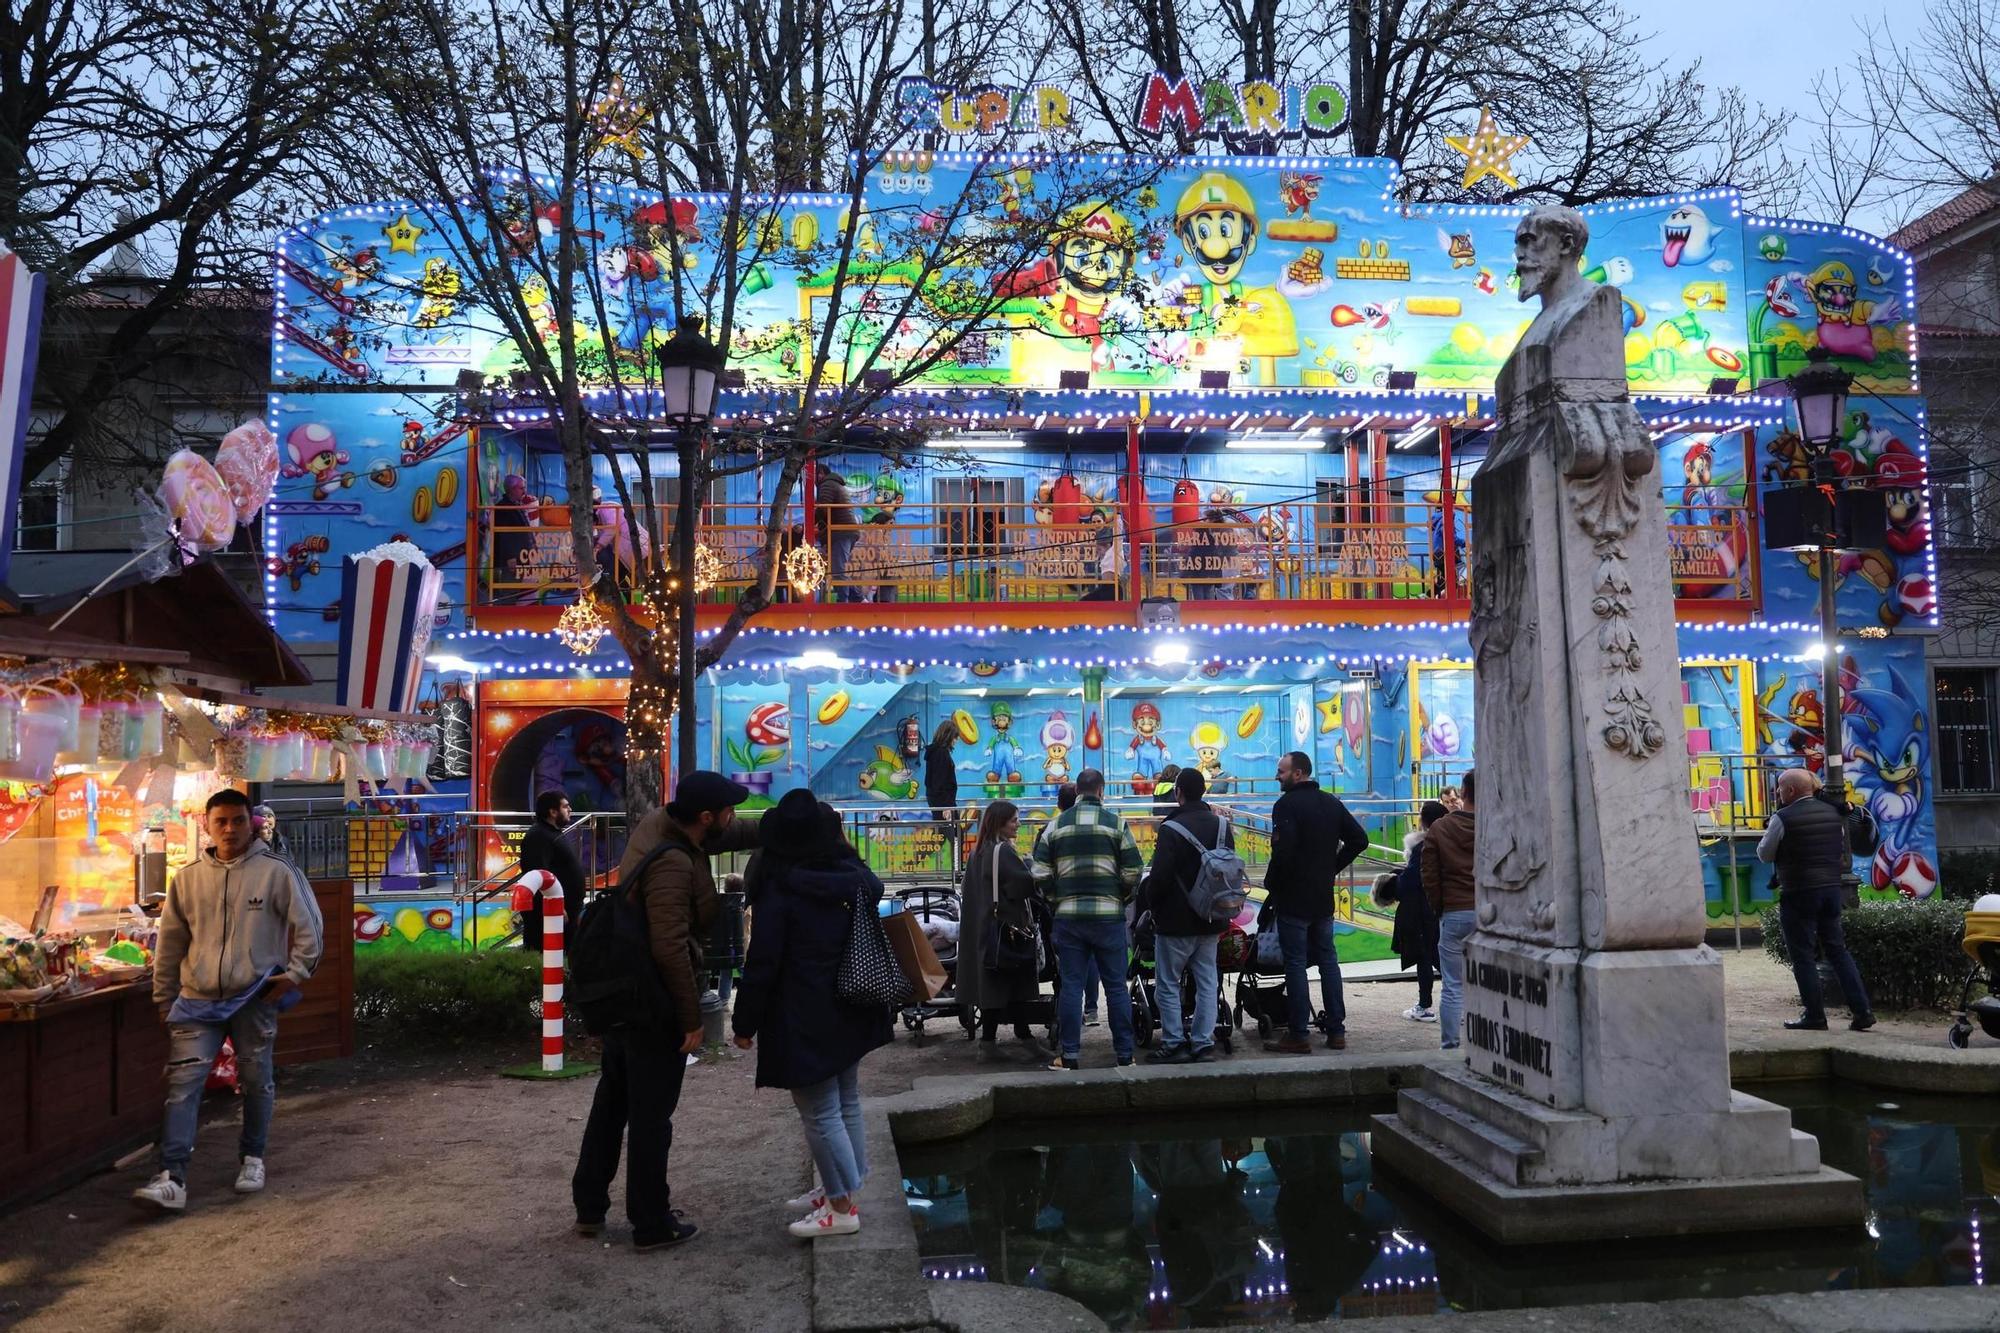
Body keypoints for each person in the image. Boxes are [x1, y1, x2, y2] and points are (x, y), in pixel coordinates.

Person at [572, 771, 760, 1251]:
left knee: (612, 1103)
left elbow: (733, 834)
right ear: (705, 818)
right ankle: (651, 1222)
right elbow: (670, 947)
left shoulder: (662, 826)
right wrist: (691, 1018)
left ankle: (589, 1207)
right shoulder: (675, 864)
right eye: (727, 811)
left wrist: (778, 825)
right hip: (652, 1002)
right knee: (652, 1117)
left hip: (628, 993)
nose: (732, 818)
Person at [134, 789, 325, 1213]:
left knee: (256, 1080)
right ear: (207, 824)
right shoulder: (186, 879)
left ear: (249, 823)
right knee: (183, 1088)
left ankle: (252, 1158)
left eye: (238, 821)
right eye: (221, 821)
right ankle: (172, 1177)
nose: (230, 829)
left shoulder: (277, 872)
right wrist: (165, 999)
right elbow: (170, 945)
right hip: (196, 1001)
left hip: (253, 997)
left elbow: (310, 925)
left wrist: (294, 974)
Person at [731, 790, 892, 1238]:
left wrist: (745, 1024)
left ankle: (841, 1208)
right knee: (846, 1099)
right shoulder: (855, 877)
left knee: (820, 1110)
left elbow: (763, 962)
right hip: (853, 1001)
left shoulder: (782, 887)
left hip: (803, 1010)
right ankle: (839, 1188)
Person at [1031, 767, 1142, 1070]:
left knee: (1071, 988)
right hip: (1108, 919)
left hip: (1069, 918)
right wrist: (1118, 897)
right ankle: (1124, 1055)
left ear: (1078, 791)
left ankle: (1069, 1056)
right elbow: (1134, 871)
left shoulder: (1055, 826)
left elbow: (1039, 872)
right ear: (1102, 791)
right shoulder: (1117, 824)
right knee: (1117, 988)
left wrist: (1057, 898)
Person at [1262, 751, 1369, 1054]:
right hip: (1322, 898)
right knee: (1328, 962)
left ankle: (1298, 1034)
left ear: (1298, 774)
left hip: (1294, 898)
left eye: (1281, 771)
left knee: (1295, 964)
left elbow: (1283, 852)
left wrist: (1271, 885)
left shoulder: (1286, 805)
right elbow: (1359, 840)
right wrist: (1332, 867)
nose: (1277, 776)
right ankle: (1336, 1031)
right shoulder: (1331, 803)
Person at [1758, 767, 1877, 1032]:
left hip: (1799, 892)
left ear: (1790, 791)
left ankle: (1814, 1015)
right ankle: (1863, 1011)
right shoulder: (1835, 813)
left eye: (1779, 788)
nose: (1777, 792)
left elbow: (1765, 854)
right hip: (1831, 890)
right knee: (1838, 950)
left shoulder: (1782, 817)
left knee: (1802, 956)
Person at [1142, 768, 1231, 1064]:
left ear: (1177, 792)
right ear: (1204, 791)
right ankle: (1203, 1044)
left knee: (1167, 982)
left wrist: (1151, 906)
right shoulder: (1222, 825)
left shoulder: (1171, 828)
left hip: (1175, 921)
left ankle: (1174, 1043)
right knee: (1207, 981)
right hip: (1211, 918)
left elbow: (1161, 877)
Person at [960, 800, 1050, 1058]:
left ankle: (989, 1043)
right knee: (1016, 985)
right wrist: (1033, 866)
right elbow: (1024, 886)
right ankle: (1024, 1038)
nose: (1018, 823)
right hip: (1007, 931)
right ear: (1000, 823)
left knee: (994, 988)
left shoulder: (978, 852)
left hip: (984, 931)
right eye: (1014, 820)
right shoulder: (1004, 852)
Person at [1423, 768, 1479, 1052]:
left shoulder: (1440, 828)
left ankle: (1451, 1046)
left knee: (1453, 985)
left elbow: (1429, 876)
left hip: (1455, 913)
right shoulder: (1494, 825)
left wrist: (1439, 907)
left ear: (1463, 793)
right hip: (1491, 914)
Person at [1392, 801, 1447, 1022]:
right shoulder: (1451, 841)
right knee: (1443, 958)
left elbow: (1411, 881)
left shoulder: (1422, 847)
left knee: (1426, 956)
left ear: (1423, 820)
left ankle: (1425, 1005)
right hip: (1447, 906)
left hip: (1424, 910)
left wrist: (1394, 883)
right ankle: (1463, 1003)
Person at [518, 789, 586, 952]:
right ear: (553, 812)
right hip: (549, 915)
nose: (570, 810)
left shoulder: (551, 833)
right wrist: (556, 907)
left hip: (563, 912)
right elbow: (537, 874)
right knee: (548, 958)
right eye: (565, 807)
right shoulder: (539, 835)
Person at [924, 720, 959, 824]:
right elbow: (939, 782)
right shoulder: (941, 753)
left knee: (943, 831)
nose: (956, 740)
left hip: (939, 799)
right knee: (951, 834)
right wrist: (946, 806)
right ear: (948, 736)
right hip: (943, 801)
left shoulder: (936, 752)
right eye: (955, 737)